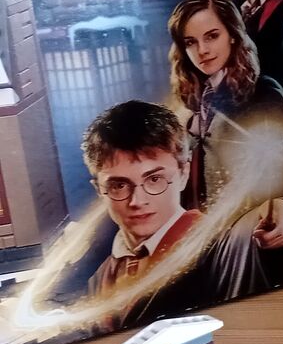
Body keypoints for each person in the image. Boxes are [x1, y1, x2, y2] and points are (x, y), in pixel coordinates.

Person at [82, 100, 272, 330]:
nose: (137, 201)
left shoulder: (220, 248)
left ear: (184, 174)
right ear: (99, 190)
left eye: (154, 179)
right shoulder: (97, 282)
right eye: (119, 186)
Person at [169, 0, 283, 284]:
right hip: (209, 253)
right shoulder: (193, 107)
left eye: (212, 36)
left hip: (259, 247)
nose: (202, 50)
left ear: (232, 35)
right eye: (190, 42)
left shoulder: (263, 93)